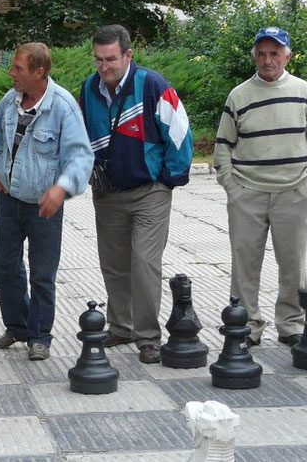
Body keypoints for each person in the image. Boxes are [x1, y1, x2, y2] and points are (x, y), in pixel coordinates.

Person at [79, 25, 193, 364]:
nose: (104, 67)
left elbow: (180, 132)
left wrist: (168, 178)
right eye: (98, 60)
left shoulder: (152, 84)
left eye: (111, 59)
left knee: (144, 262)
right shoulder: (89, 88)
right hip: (109, 192)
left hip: (150, 191)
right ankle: (121, 325)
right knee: (114, 265)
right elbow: (80, 135)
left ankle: (148, 336)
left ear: (129, 55)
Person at [214, 27, 307, 347]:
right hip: (247, 192)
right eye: (261, 53)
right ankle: (247, 324)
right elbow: (223, 146)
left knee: (293, 263)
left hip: (293, 191)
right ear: (254, 56)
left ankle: (291, 324)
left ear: (287, 56)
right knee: (244, 264)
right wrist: (232, 188)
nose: (268, 59)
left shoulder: (305, 92)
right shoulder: (239, 95)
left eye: (275, 53)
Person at [0, 43, 93, 361]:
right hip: (9, 200)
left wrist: (61, 189)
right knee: (4, 268)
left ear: (39, 72)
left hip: (45, 205)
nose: (11, 72)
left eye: (18, 68)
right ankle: (16, 327)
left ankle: (40, 335)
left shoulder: (63, 106)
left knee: (42, 274)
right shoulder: (9, 101)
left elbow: (81, 157)